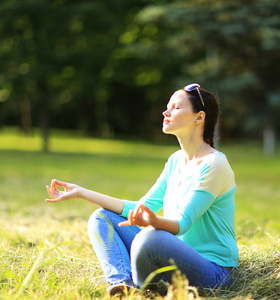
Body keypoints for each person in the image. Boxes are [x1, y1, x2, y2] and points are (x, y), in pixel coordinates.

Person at [45, 83, 239, 296]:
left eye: (176, 107)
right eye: (168, 106)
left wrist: (152, 222)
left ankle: (141, 286)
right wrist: (82, 192)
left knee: (150, 238)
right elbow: (138, 208)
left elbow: (182, 224)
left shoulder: (215, 164)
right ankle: (123, 284)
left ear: (199, 117)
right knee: (102, 218)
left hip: (214, 273)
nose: (165, 112)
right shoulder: (175, 161)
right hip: (172, 257)